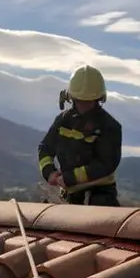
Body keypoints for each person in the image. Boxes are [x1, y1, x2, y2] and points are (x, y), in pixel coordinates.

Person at [37, 64, 122, 206]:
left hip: (100, 194)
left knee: (99, 219)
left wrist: (70, 178)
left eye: (87, 101)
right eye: (79, 100)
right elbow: (45, 148)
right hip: (70, 193)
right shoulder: (63, 120)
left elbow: (105, 164)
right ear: (71, 97)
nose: (83, 105)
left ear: (98, 99)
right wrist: (50, 172)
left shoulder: (109, 127)